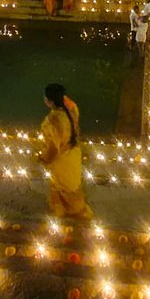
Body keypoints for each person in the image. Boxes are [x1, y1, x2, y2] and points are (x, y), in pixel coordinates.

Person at [38, 84, 91, 221]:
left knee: (63, 187)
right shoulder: (71, 109)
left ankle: (68, 212)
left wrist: (44, 158)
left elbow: (53, 148)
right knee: (72, 186)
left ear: (49, 101)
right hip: (73, 153)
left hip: (62, 160)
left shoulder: (53, 120)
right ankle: (70, 210)